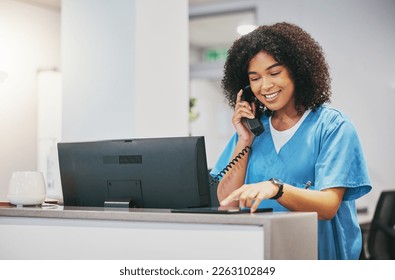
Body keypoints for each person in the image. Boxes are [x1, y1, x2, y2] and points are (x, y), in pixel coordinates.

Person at [210, 22, 371, 260]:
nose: (265, 86)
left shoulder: (332, 126)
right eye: (254, 78)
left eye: (274, 73)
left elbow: (328, 206)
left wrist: (276, 189)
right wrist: (244, 138)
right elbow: (227, 201)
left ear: (297, 70)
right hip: (264, 254)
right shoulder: (252, 131)